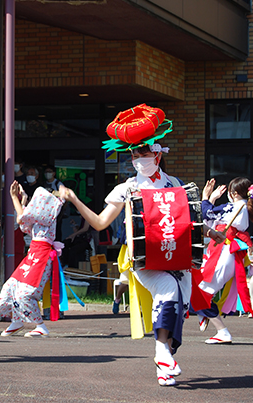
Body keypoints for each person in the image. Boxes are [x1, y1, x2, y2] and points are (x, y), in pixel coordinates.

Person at [59, 104, 224, 386]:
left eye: (143, 153)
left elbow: (188, 222)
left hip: (178, 258)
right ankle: (161, 352)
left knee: (177, 309)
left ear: (158, 154)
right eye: (134, 154)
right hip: (146, 259)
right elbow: (100, 223)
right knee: (168, 292)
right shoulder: (127, 189)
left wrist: (212, 232)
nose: (138, 159)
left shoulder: (175, 184)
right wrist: (75, 199)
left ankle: (165, 363)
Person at [0, 182, 64, 337]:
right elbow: (24, 222)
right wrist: (21, 200)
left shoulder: (48, 213)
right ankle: (16, 321)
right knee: (10, 286)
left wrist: (15, 199)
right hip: (33, 254)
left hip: (42, 256)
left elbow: (22, 218)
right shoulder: (39, 217)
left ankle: (40, 325)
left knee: (25, 293)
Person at [191, 177, 253, 344]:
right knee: (199, 292)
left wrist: (206, 197)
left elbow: (205, 214)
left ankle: (221, 329)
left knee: (199, 293)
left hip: (223, 253)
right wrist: (211, 199)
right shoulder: (240, 207)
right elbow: (209, 220)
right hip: (222, 252)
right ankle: (206, 317)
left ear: (233, 193)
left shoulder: (235, 207)